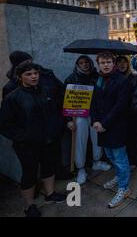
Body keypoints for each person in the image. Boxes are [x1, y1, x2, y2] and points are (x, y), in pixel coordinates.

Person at [0, 62, 66, 217]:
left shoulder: (46, 90)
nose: (34, 76)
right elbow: (4, 125)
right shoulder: (13, 97)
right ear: (20, 77)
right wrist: (24, 137)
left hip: (49, 140)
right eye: (28, 74)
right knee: (29, 174)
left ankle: (50, 194)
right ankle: (29, 206)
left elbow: (56, 111)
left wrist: (57, 128)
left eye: (35, 73)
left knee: (49, 167)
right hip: (27, 145)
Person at [90, 53, 131, 209]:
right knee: (110, 155)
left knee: (120, 158)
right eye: (102, 62)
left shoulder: (122, 80)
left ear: (113, 63)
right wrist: (95, 121)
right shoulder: (98, 80)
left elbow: (120, 106)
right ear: (98, 64)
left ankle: (124, 188)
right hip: (100, 126)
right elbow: (93, 103)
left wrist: (104, 123)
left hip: (115, 125)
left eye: (108, 62)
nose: (105, 65)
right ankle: (120, 177)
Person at [64, 56, 111, 185]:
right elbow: (65, 101)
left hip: (95, 113)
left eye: (86, 62)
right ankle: (80, 168)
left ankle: (97, 161)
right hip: (79, 115)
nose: (84, 65)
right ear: (77, 64)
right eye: (81, 63)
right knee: (80, 141)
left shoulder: (97, 77)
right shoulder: (71, 79)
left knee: (97, 138)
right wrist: (68, 119)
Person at [116, 55, 137, 170]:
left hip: (131, 113)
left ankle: (133, 161)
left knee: (132, 138)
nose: (122, 64)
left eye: (124, 62)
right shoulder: (113, 77)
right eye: (119, 62)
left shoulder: (134, 77)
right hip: (118, 113)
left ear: (128, 63)